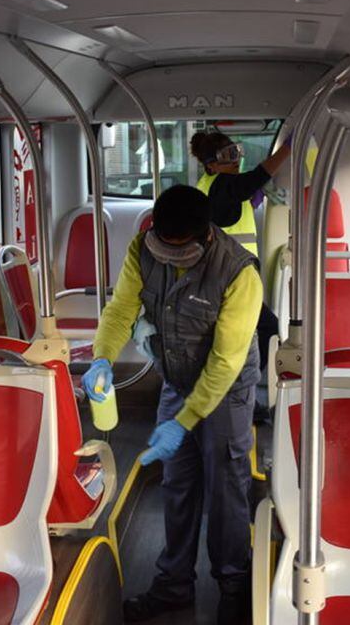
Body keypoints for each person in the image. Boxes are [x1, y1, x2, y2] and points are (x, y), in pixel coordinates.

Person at [83, 185, 262, 624]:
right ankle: (174, 584)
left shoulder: (240, 273)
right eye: (162, 245)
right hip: (176, 377)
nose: (167, 256)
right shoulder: (142, 249)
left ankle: (234, 585)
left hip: (228, 388)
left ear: (206, 238)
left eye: (179, 251)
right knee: (177, 485)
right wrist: (103, 356)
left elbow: (223, 363)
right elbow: (121, 308)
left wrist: (184, 420)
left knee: (226, 487)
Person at [191, 131, 290, 397]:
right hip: (229, 278)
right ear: (211, 164)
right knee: (269, 330)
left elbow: (243, 195)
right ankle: (241, 389)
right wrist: (289, 147)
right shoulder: (221, 185)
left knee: (239, 336)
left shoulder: (212, 185)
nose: (235, 161)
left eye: (235, 153)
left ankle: (235, 391)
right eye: (226, 157)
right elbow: (255, 178)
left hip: (224, 276)